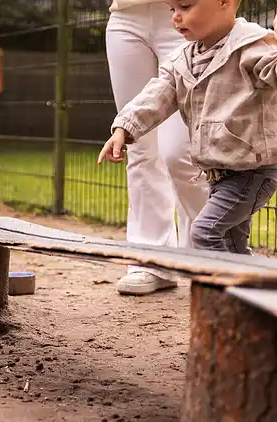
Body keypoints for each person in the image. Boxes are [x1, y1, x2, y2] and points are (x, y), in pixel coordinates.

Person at [99, 2, 277, 255]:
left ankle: (215, 289)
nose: (176, 18)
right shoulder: (185, 57)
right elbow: (157, 94)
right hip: (220, 172)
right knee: (230, 241)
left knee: (205, 232)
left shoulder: (252, 46)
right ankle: (244, 288)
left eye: (184, 6)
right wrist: (123, 128)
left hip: (252, 172)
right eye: (172, 9)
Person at [105, 0, 208, 295]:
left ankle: (210, 256)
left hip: (188, 10)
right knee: (138, 147)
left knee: (183, 151)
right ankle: (150, 261)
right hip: (125, 16)